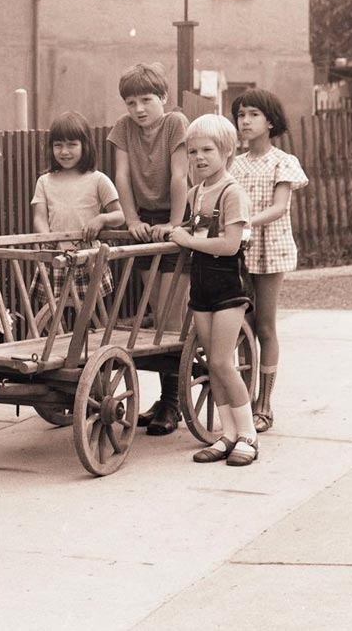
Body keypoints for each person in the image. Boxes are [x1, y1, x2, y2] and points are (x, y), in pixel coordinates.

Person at [170, 114, 257, 466]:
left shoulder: (232, 192)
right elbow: (181, 230)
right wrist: (173, 232)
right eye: (192, 152)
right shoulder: (194, 193)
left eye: (207, 150)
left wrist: (187, 239)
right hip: (201, 284)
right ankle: (227, 434)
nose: (199, 157)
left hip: (228, 284)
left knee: (222, 361)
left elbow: (230, 243)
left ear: (227, 151)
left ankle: (248, 434)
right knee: (211, 364)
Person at [107, 62, 189, 435]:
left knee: (171, 320)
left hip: (175, 219)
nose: (138, 109)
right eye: (130, 102)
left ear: (163, 98)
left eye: (146, 100)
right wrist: (131, 219)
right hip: (143, 222)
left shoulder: (175, 123)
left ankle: (171, 403)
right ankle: (165, 398)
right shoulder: (124, 129)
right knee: (156, 313)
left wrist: (174, 223)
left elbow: (179, 176)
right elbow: (122, 176)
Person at [230, 88, 308, 433]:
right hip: (236, 250)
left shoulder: (283, 161)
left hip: (269, 249)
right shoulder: (232, 162)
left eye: (252, 114)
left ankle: (265, 402)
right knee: (240, 325)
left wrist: (244, 222)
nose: (245, 121)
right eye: (241, 115)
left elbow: (278, 208)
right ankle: (244, 400)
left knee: (264, 325)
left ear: (270, 121)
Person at [31, 111, 123, 318]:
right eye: (58, 145)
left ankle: (89, 348)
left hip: (87, 258)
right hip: (57, 256)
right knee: (54, 316)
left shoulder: (98, 179)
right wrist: (47, 237)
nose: (64, 151)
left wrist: (101, 219)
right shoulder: (45, 181)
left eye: (72, 144)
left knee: (91, 316)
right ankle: (58, 349)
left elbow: (119, 216)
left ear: (85, 145)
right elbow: (39, 217)